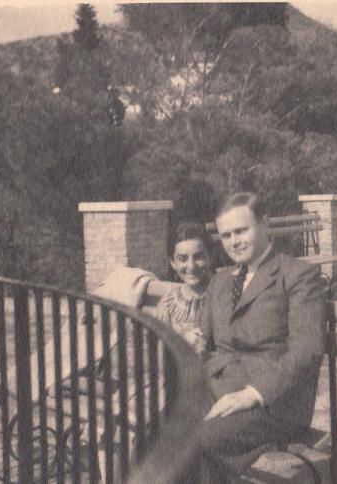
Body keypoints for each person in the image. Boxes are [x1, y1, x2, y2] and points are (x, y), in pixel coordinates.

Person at [127, 192, 326, 483]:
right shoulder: (221, 282)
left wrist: (251, 394)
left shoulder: (297, 275)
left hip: (272, 401)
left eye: (241, 230)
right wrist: (190, 343)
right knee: (153, 434)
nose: (234, 241)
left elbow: (307, 350)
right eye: (226, 235)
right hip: (217, 388)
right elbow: (205, 341)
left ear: (265, 224)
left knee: (199, 442)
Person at [155, 221, 214, 356]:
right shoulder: (167, 305)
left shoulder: (224, 295)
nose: (191, 266)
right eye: (182, 259)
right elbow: (160, 354)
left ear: (210, 256)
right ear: (173, 262)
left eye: (198, 257)